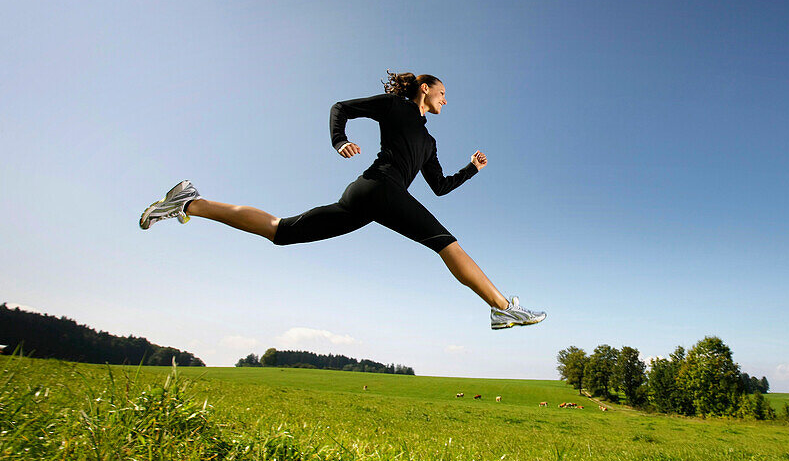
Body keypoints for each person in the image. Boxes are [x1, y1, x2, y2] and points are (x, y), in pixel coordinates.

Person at [139, 71, 546, 331]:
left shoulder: (430, 142)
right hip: (378, 188)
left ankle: (190, 202)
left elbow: (438, 187)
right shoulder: (395, 107)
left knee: (281, 232)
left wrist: (471, 170)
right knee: (445, 243)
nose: (445, 100)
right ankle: (501, 306)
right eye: (443, 93)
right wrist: (340, 140)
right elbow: (341, 108)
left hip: (371, 198)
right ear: (426, 88)